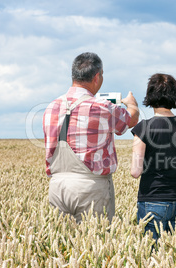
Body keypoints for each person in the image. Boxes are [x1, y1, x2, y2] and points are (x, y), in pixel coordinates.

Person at [43, 52, 139, 223]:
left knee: (62, 239)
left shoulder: (51, 106)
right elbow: (131, 119)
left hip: (57, 186)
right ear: (97, 76)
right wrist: (132, 104)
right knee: (94, 242)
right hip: (91, 187)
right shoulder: (102, 107)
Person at [130, 73, 176, 241]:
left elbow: (135, 171)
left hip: (152, 199)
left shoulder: (144, 128)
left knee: (150, 254)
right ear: (174, 96)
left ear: (150, 95)